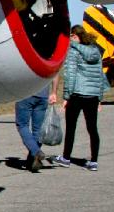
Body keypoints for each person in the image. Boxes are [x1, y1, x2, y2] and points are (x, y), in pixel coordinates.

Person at [54, 25, 106, 170]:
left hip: (77, 94)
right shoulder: (96, 50)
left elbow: (70, 75)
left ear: (75, 36)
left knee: (71, 127)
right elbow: (100, 76)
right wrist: (100, 97)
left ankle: (66, 157)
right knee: (92, 128)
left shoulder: (73, 51)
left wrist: (66, 96)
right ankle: (94, 161)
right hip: (93, 95)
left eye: (71, 35)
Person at [13, 81, 51, 173]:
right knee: (37, 129)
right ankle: (32, 160)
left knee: (22, 125)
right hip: (43, 95)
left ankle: (36, 152)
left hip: (25, 93)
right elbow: (55, 74)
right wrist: (54, 92)